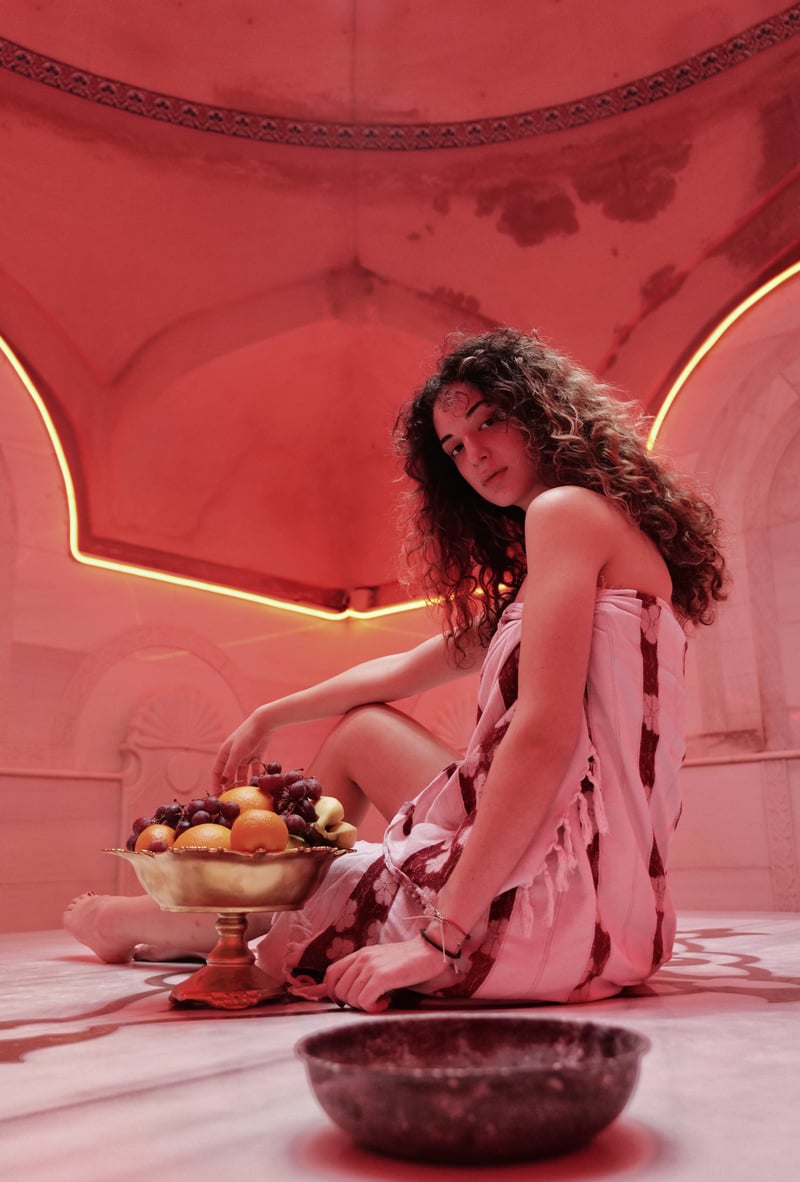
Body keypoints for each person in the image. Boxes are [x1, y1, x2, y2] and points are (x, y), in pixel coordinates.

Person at [65, 327, 727, 1012]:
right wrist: (273, 712)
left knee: (335, 871)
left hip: (553, 917)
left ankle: (180, 925)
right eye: (455, 448)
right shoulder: (584, 540)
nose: (475, 455)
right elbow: (414, 665)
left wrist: (439, 941)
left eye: (489, 421)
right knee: (362, 736)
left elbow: (544, 735)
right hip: (622, 922)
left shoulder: (566, 514)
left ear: (541, 411)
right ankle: (195, 924)